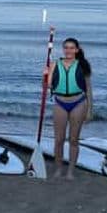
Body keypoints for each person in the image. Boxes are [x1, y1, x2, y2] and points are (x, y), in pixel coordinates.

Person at [45, 37, 93, 180]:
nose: (68, 50)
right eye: (66, 47)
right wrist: (45, 75)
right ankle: (58, 169)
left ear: (77, 50)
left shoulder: (83, 65)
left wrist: (90, 110)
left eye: (72, 48)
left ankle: (70, 171)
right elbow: (48, 86)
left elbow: (89, 90)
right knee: (59, 140)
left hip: (78, 103)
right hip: (60, 103)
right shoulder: (55, 64)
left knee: (73, 139)